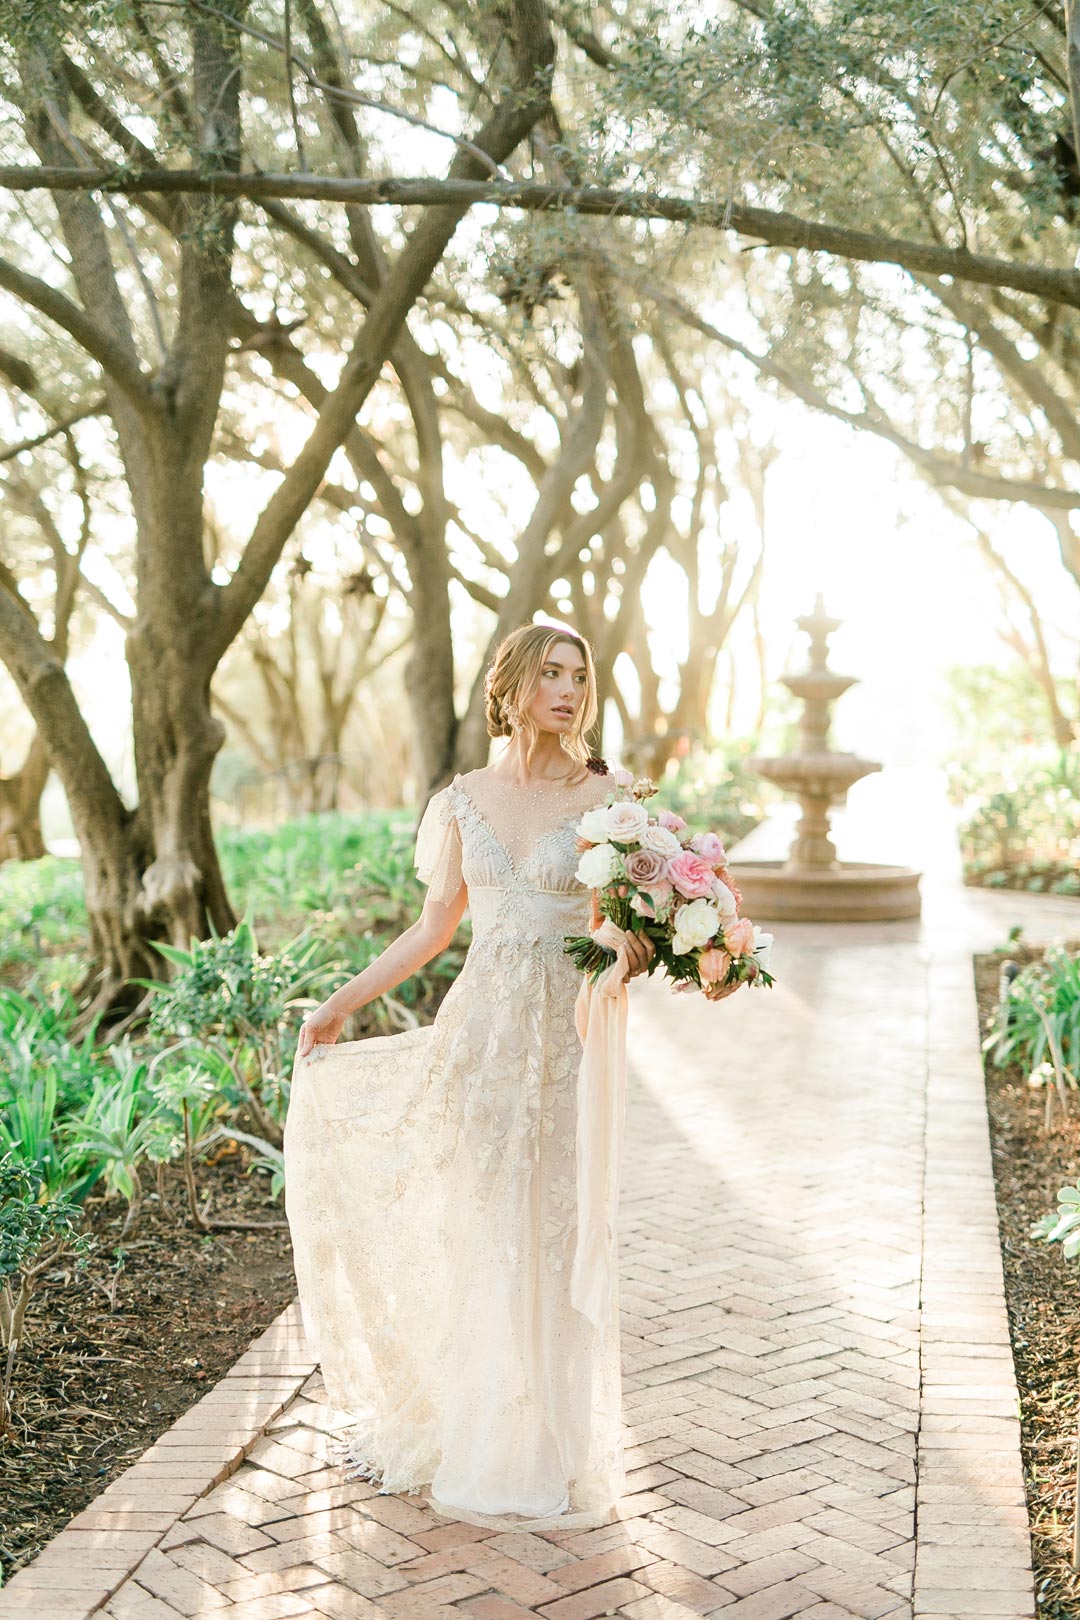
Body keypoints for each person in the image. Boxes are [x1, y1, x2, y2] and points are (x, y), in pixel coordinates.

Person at [282, 621, 735, 1533]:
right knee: (486, 1226)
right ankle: (479, 1426)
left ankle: (548, 1446)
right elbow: (431, 929)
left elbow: (618, 927)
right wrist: (338, 1004)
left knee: (552, 1229)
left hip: (564, 1042)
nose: (567, 691)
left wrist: (629, 954)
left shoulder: (614, 803)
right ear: (513, 685)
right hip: (480, 1037)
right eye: (550, 674)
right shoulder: (463, 799)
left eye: (579, 676)